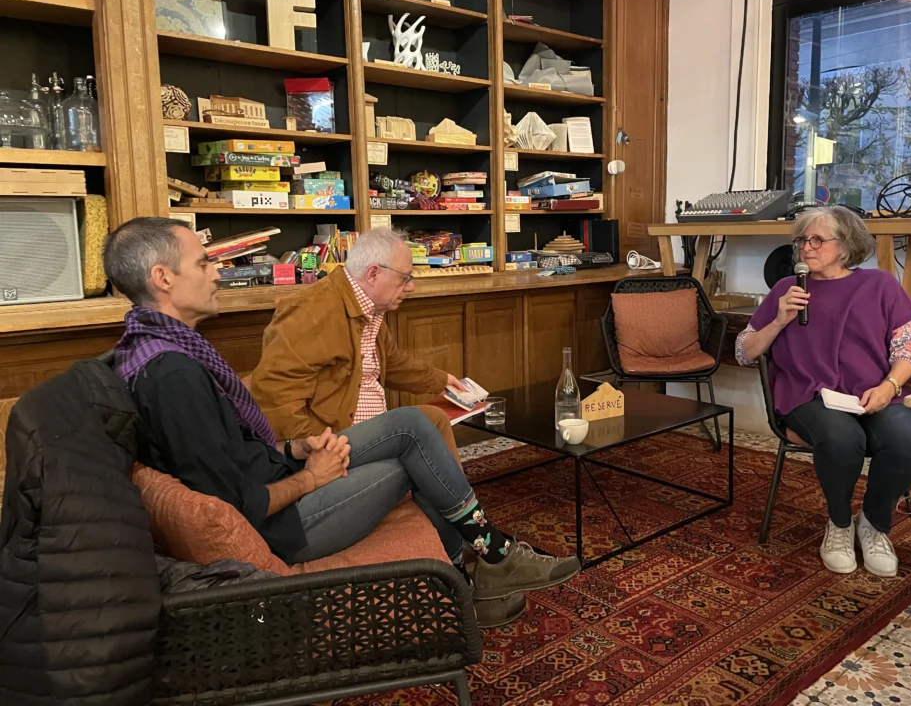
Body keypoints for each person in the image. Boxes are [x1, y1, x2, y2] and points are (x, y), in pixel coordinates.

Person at [102, 217, 580, 627]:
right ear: (163, 278)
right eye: (205, 262)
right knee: (416, 443)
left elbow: (234, 453)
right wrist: (310, 476)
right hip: (283, 526)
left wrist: (293, 451)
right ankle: (485, 563)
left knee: (419, 425)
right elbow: (236, 501)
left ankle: (475, 569)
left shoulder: (167, 352)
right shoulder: (173, 376)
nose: (217, 272)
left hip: (284, 473)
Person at [735, 206, 911, 578]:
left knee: (907, 437)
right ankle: (839, 524)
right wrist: (778, 321)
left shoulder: (881, 285)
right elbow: (744, 352)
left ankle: (874, 523)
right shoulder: (786, 289)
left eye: (817, 240)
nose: (806, 248)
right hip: (807, 395)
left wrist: (889, 386)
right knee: (841, 437)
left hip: (876, 391)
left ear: (845, 246)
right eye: (802, 240)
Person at [249, 228, 465, 460]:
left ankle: (454, 487)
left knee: (434, 420)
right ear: (373, 274)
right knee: (417, 424)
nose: (410, 287)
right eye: (405, 278)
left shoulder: (369, 306)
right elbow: (276, 390)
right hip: (335, 443)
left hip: (366, 431)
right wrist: (311, 451)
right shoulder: (313, 310)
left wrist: (440, 380)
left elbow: (391, 362)